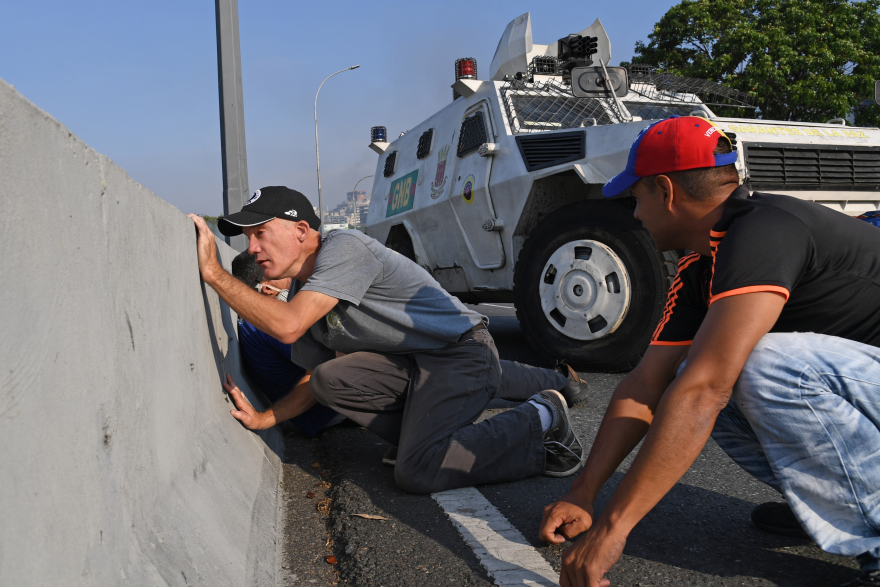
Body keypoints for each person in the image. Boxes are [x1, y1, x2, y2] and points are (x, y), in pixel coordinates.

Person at [538, 116, 880, 587]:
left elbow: (707, 389)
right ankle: (831, 504)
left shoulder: (765, 229)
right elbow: (644, 386)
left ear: (665, 191)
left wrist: (614, 531)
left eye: (635, 199)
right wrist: (585, 492)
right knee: (695, 378)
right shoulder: (701, 264)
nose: (634, 215)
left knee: (755, 369)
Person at [189, 186, 589, 493]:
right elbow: (313, 378)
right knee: (329, 377)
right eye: (246, 239)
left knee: (416, 471)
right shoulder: (301, 290)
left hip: (460, 354)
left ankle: (542, 418)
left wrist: (214, 274)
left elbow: (289, 325)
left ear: (300, 230)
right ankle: (425, 441)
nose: (252, 248)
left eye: (259, 233)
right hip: (417, 366)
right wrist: (265, 418)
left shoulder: (344, 249)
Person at [229, 251, 342, 437]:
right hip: (328, 411)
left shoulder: (252, 321)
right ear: (266, 288)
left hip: (313, 413)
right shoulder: (272, 325)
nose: (293, 280)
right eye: (284, 275)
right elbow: (320, 372)